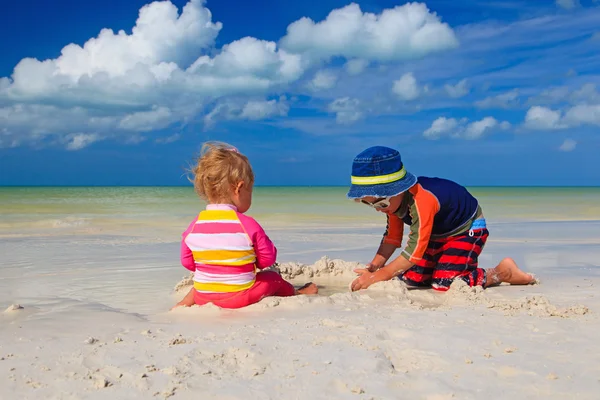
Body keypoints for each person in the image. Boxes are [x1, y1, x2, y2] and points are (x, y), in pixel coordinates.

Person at [347, 146, 535, 292]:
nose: (378, 210)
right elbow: (392, 239)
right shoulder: (392, 204)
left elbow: (414, 252)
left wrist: (378, 277)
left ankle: (502, 272)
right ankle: (444, 263)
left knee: (444, 283)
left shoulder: (422, 200)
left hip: (465, 230)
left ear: (399, 191)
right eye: (369, 204)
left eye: (380, 204)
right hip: (436, 234)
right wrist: (374, 267)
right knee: (412, 280)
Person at [173, 142, 317, 309]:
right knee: (272, 278)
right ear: (239, 188)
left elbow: (188, 262)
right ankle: (298, 294)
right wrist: (251, 263)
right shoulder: (247, 224)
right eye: (250, 190)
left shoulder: (194, 225)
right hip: (238, 297)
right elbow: (267, 259)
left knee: (200, 284)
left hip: (204, 296)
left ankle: (185, 303)